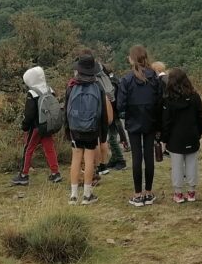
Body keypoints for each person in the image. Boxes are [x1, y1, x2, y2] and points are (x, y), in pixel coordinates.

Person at [118, 45, 163, 207]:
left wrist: (127, 114)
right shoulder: (155, 77)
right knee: (149, 156)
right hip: (151, 122)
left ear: (131, 59)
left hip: (133, 123)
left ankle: (137, 195)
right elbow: (160, 102)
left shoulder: (126, 79)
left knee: (137, 157)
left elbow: (121, 105)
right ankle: (149, 193)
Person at [65, 53, 110, 205]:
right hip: (92, 128)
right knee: (89, 160)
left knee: (76, 158)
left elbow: (66, 110)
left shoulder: (71, 86)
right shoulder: (97, 86)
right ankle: (87, 195)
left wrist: (67, 130)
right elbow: (103, 113)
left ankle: (73, 196)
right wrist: (103, 136)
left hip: (75, 129)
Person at [11, 66, 62, 186]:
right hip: (48, 125)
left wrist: (25, 126)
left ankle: (24, 175)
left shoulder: (32, 93)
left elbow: (29, 114)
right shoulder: (49, 89)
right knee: (49, 148)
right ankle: (55, 173)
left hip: (35, 127)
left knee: (28, 149)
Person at [160, 67, 202, 203]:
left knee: (177, 166)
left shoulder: (168, 99)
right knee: (192, 164)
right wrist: (199, 133)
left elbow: (166, 122)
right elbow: (200, 117)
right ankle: (191, 192)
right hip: (192, 135)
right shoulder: (195, 96)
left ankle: (178, 193)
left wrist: (164, 139)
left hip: (175, 138)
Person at [97, 61, 128, 173]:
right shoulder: (115, 79)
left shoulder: (110, 82)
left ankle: (121, 160)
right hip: (116, 112)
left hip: (113, 113)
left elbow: (111, 100)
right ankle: (114, 159)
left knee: (112, 138)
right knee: (112, 136)